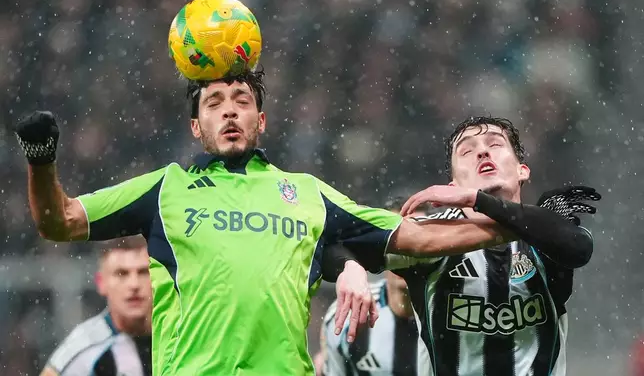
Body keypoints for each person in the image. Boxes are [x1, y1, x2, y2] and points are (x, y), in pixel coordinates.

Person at [15, 70, 521, 375]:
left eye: (243, 103)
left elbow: (414, 235)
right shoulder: (164, 187)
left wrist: (509, 222)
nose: (230, 113)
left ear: (262, 120)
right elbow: (59, 221)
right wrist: (42, 162)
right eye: (214, 104)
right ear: (196, 126)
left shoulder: (308, 193)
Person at [381, 116, 599, 376]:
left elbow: (579, 248)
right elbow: (347, 240)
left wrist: (477, 200)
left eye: (495, 144)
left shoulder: (543, 236)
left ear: (523, 170)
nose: (482, 151)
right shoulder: (430, 236)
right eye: (467, 150)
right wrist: (352, 269)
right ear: (453, 186)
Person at [317, 198, 432, 376]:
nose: (407, 253)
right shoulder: (348, 315)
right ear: (379, 249)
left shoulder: (454, 310)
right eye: (399, 242)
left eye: (417, 242)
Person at [40, 237, 152, 376]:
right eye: (121, 274)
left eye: (143, 272)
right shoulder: (82, 351)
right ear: (101, 282)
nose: (134, 284)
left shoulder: (180, 335)